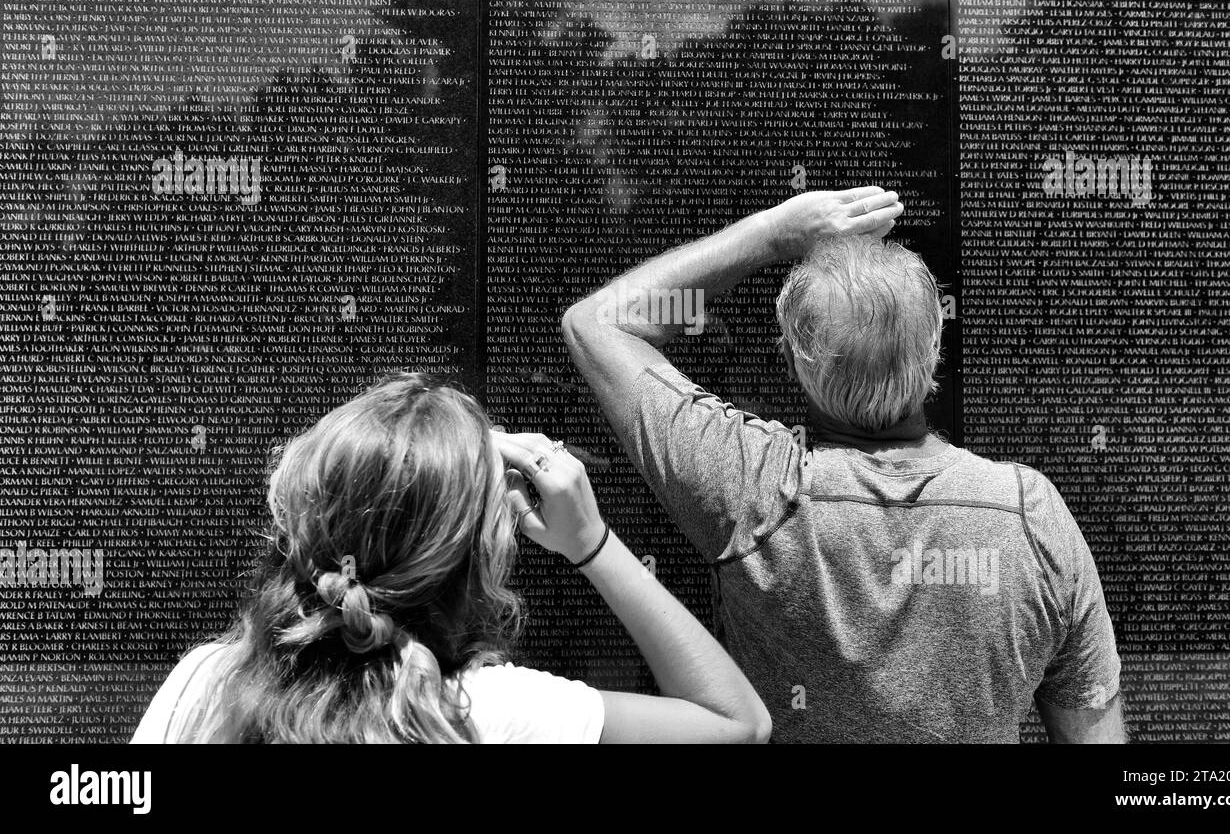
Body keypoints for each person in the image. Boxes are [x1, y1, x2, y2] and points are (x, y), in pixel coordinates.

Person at [563, 185, 1125, 743]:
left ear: (791, 360)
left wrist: (775, 233)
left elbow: (597, 324)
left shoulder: (755, 489)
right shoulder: (1031, 517)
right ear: (934, 351)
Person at [131, 373, 770, 743]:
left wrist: (428, 461)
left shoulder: (210, 681)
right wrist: (592, 543)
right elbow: (736, 722)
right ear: (479, 551)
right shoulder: (487, 712)